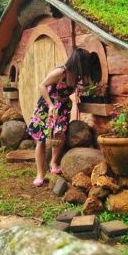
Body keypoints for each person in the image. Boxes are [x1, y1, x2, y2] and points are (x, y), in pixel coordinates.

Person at [26, 48, 89, 187]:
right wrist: (50, 105)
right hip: (47, 107)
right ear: (79, 62)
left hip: (63, 107)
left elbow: (81, 87)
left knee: (59, 135)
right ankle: (39, 174)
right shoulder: (61, 72)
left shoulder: (77, 76)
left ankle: (53, 162)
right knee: (41, 140)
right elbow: (42, 85)